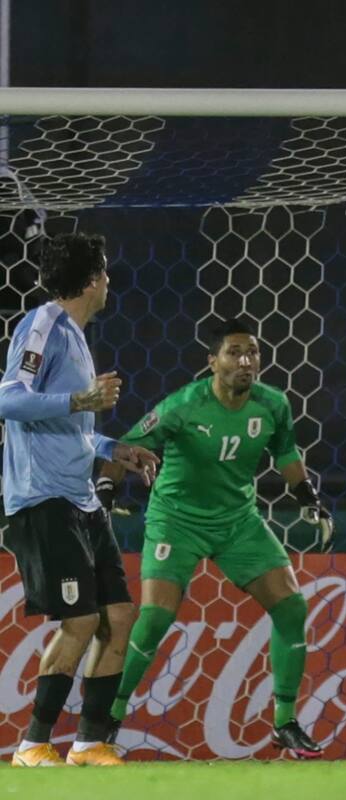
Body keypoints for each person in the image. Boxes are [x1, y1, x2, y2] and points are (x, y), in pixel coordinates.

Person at [98, 318, 333, 759]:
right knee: (155, 617)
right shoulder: (183, 406)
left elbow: (285, 452)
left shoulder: (273, 405)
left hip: (238, 521)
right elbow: (124, 445)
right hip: (175, 520)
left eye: (253, 353)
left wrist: (308, 496)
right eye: (234, 353)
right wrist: (106, 492)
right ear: (212, 362)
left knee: (291, 605)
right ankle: (108, 715)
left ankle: (285, 722)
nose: (245, 361)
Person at [0, 233, 160, 767]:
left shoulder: (76, 336)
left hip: (82, 499)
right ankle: (31, 745)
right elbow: (8, 398)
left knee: (119, 614)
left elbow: (73, 432)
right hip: (43, 499)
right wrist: (80, 398)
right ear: (93, 280)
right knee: (81, 622)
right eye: (107, 273)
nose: (110, 282)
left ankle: (90, 742)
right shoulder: (42, 324)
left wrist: (118, 448)